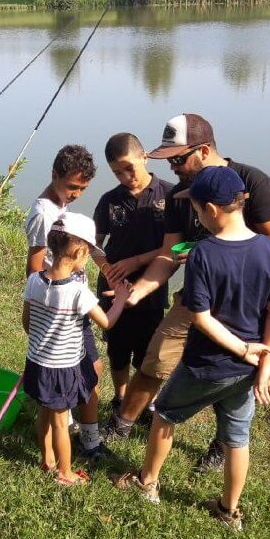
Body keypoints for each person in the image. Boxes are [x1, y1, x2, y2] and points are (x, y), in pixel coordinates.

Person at [101, 114, 270, 475]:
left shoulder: (254, 182)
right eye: (167, 161)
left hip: (246, 298)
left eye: (178, 159)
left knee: (237, 373)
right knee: (156, 358)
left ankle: (222, 445)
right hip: (198, 295)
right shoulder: (179, 196)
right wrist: (137, 291)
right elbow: (168, 255)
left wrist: (219, 249)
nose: (172, 168)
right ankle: (122, 424)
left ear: (204, 151)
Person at [113, 166, 270, 530]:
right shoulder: (269, 249)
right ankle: (228, 510)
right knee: (237, 438)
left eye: (194, 210)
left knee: (165, 415)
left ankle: (147, 484)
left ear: (210, 209)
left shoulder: (203, 254)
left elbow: (202, 319)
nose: (195, 217)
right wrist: (266, 359)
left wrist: (243, 350)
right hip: (248, 370)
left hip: (206, 364)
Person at [23, 213, 131, 485]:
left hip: (36, 361)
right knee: (61, 422)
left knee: (44, 412)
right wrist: (120, 299)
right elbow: (106, 322)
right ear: (79, 251)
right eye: (88, 254)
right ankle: (65, 472)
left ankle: (46, 459)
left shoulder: (34, 280)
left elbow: (26, 321)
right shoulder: (77, 292)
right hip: (62, 368)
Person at [23, 144, 110, 461]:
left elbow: (84, 244)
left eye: (82, 189)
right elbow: (34, 266)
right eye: (71, 186)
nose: (75, 194)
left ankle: (78, 430)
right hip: (64, 309)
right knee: (90, 370)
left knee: (90, 370)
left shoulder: (62, 210)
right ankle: (87, 442)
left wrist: (107, 268)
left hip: (72, 305)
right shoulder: (43, 214)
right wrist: (36, 309)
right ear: (54, 175)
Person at [91, 133, 174, 417]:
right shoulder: (109, 201)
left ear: (144, 157)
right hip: (113, 288)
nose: (126, 177)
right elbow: (93, 244)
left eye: (130, 168)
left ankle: (142, 403)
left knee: (148, 351)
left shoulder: (171, 195)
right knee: (117, 347)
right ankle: (120, 397)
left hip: (151, 287)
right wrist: (109, 270)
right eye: (117, 172)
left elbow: (182, 245)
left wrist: (138, 260)